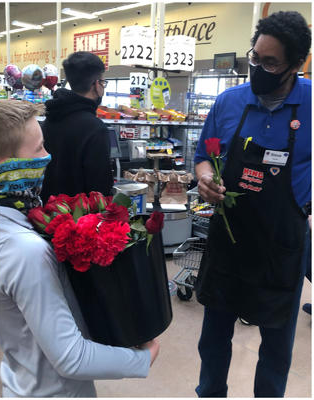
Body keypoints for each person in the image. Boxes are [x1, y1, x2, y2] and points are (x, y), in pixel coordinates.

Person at [0, 99, 158, 397]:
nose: (48, 156)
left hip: (21, 379)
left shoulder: (7, 225)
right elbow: (71, 358)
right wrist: (144, 358)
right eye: (38, 149)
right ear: (8, 168)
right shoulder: (25, 251)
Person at [193, 11, 311, 397]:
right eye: (255, 58)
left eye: (271, 62)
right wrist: (206, 176)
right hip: (230, 239)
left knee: (276, 349)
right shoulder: (228, 102)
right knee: (213, 340)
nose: (258, 68)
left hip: (281, 244)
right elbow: (203, 154)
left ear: (297, 64)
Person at [40, 51, 113, 204]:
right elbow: (100, 188)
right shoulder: (95, 129)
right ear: (96, 84)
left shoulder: (50, 118)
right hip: (80, 220)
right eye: (103, 83)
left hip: (48, 214)